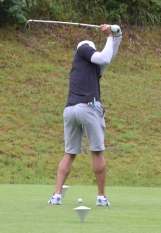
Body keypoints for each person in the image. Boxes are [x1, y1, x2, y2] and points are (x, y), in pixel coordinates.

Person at [48, 24, 123, 206]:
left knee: (69, 153)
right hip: (87, 108)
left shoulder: (88, 69)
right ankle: (101, 197)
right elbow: (104, 55)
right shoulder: (83, 48)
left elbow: (108, 57)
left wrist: (116, 35)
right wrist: (108, 36)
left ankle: (56, 195)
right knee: (97, 152)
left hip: (70, 110)